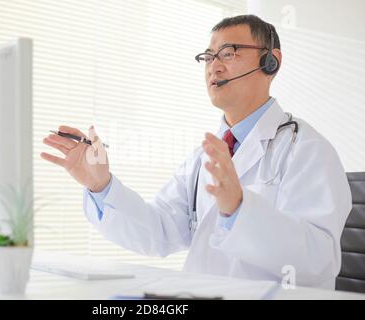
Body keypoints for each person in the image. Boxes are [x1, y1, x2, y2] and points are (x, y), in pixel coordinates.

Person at [41, 15, 352, 289]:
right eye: (208, 56)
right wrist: (101, 186)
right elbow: (159, 231)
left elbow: (318, 262)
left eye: (229, 53)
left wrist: (241, 210)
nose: (214, 66)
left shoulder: (309, 150)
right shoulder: (205, 156)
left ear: (271, 62)